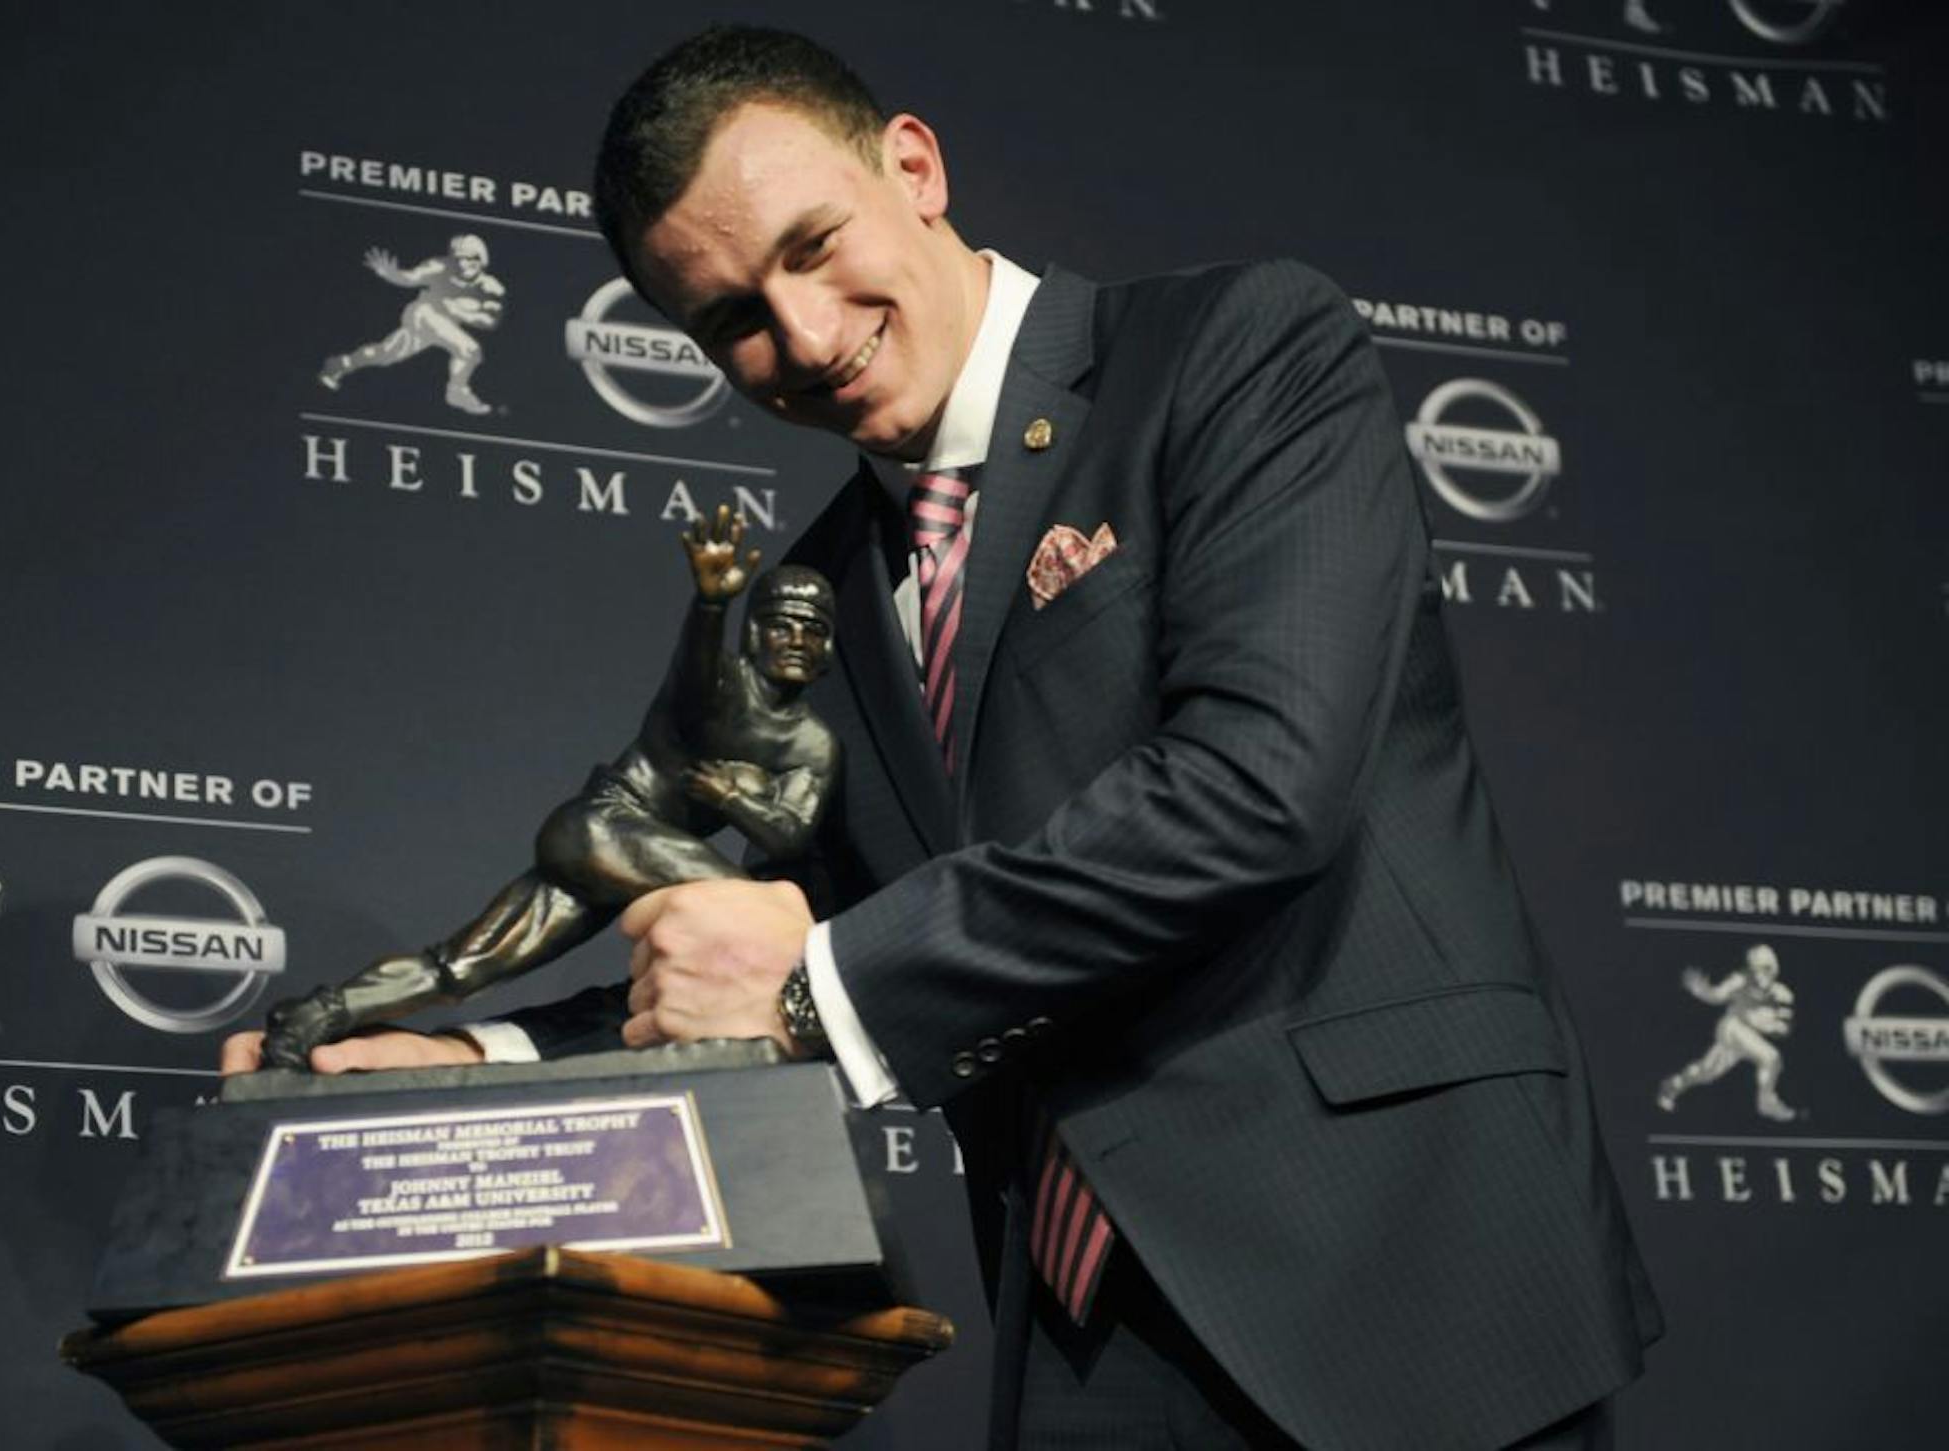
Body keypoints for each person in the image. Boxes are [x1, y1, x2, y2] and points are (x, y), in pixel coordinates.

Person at [226, 27, 1660, 1448]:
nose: (798, 336)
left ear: (912, 165)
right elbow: (831, 949)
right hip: (1082, 1320)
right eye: (728, 317)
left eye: (810, 246)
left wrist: (808, 984)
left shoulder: (1238, 347)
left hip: (1398, 1263)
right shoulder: (817, 598)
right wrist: (483, 1068)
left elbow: (1258, 787)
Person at [254, 506, 840, 1071]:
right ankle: (736, 1058)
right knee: (754, 924)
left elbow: (788, 835)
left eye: (811, 630)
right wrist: (711, 604)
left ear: (828, 650)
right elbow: (693, 677)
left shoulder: (814, 745)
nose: (795, 639)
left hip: (631, 860)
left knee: (463, 966)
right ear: (754, 633)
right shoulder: (720, 685)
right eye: (780, 624)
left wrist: (732, 798)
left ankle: (317, 1015)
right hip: (602, 827)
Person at [318, 234, 504, 415]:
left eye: (471, 259)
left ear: (482, 259)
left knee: (385, 354)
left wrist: (460, 312)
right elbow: (411, 277)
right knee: (469, 349)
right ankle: (456, 391)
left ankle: (341, 364)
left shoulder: (491, 287)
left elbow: (490, 321)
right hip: (424, 313)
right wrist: (392, 274)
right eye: (460, 259)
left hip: (443, 324)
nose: (464, 264)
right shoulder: (440, 266)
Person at [1655, 943, 1797, 1121]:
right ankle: (1766, 1102)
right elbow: (1717, 996)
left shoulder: (1783, 994)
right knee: (1771, 1058)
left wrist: (1770, 1025)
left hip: (1747, 1037)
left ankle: (1673, 1085)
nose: (1759, 974)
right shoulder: (1740, 980)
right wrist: (1700, 990)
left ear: (1774, 968)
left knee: (1706, 1072)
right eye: (1755, 969)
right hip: (1732, 1027)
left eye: (1765, 968)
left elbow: (1784, 1030)